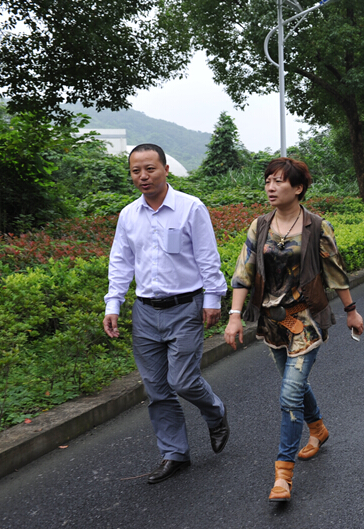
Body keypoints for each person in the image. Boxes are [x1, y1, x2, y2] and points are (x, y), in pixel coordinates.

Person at [224, 157, 364, 503]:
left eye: (279, 181)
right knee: (295, 385)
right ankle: (318, 429)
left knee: (289, 395)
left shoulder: (317, 226)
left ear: (298, 188)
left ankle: (283, 475)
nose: (270, 187)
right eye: (268, 181)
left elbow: (335, 272)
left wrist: (351, 311)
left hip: (306, 321)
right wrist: (235, 315)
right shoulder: (259, 226)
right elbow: (244, 271)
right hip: (273, 322)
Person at [103, 144, 230, 485]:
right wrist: (113, 304)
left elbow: (207, 256)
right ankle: (174, 453)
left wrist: (213, 298)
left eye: (150, 169)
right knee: (157, 389)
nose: (143, 176)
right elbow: (121, 262)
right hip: (145, 311)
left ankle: (215, 412)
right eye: (136, 171)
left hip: (185, 307)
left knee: (183, 381)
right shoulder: (128, 215)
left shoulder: (191, 207)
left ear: (165, 169)